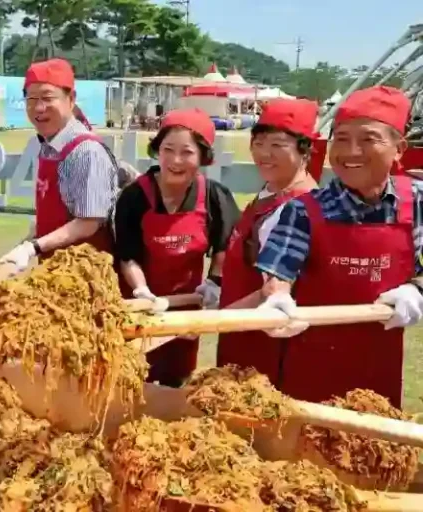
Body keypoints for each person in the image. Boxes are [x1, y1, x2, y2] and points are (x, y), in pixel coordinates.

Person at [254, 86, 422, 407]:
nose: (351, 152)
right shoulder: (304, 210)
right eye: (341, 139)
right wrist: (277, 298)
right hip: (310, 373)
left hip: (380, 375)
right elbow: (278, 271)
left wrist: (417, 289)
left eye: (368, 139)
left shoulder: (416, 201)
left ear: (399, 148)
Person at [114, 109, 240, 386]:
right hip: (141, 307)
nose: (175, 160)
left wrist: (214, 282)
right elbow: (127, 255)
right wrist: (141, 291)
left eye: (187, 152)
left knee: (177, 380)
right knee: (133, 380)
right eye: (168, 150)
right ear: (157, 150)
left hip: (185, 310)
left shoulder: (214, 196)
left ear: (203, 157)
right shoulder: (134, 196)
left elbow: (224, 246)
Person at [216, 99, 320, 371]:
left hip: (265, 341)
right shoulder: (271, 191)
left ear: (304, 151)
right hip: (239, 328)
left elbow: (271, 291)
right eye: (259, 143)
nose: (264, 153)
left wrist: (211, 322)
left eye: (277, 145)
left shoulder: (296, 208)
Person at [0, 58, 118, 270]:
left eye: (47, 98)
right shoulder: (49, 146)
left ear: (71, 99)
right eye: (31, 99)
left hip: (85, 272)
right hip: (55, 270)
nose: (38, 108)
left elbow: (88, 222)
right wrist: (29, 240)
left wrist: (33, 247)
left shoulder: (86, 152)